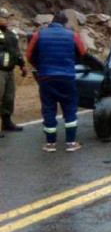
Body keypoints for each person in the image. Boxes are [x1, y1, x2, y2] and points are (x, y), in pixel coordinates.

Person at [26, 12, 87, 152]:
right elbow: (82, 53)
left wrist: (40, 67)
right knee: (70, 109)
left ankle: (50, 144)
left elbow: (29, 55)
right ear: (65, 23)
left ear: (52, 21)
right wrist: (71, 63)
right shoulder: (72, 35)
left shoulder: (38, 35)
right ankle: (71, 143)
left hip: (46, 78)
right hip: (67, 77)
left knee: (48, 109)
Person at [0, 9, 28, 137]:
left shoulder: (11, 34)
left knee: (9, 97)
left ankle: (6, 122)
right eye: (5, 17)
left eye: (8, 18)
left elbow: (16, 52)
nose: (8, 20)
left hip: (9, 71)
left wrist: (22, 65)